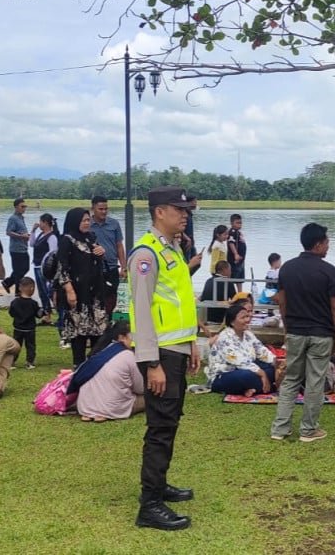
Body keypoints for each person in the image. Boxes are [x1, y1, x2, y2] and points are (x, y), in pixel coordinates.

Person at [128, 186, 200, 531]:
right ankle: (150, 504)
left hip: (176, 349)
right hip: (161, 355)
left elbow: (179, 302)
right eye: (178, 209)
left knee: (170, 421)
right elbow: (141, 312)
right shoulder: (146, 253)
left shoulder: (171, 249)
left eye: (186, 210)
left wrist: (192, 342)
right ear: (159, 212)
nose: (185, 214)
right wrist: (152, 363)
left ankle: (159, 486)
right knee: (160, 427)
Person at [271, 222, 335, 444]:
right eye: (327, 242)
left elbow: (282, 302)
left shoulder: (287, 268)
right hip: (321, 333)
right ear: (319, 243)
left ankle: (280, 428)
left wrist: (287, 327)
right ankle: (308, 429)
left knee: (291, 378)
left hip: (295, 331)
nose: (328, 247)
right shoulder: (328, 271)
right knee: (314, 381)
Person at [58, 207, 111, 364]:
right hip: (78, 292)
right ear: (75, 222)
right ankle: (79, 364)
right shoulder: (67, 240)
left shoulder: (91, 237)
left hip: (95, 292)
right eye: (84, 220)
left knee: (98, 331)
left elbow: (96, 260)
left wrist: (102, 251)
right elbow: (62, 267)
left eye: (89, 220)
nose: (87, 223)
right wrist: (69, 290)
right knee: (79, 332)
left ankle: (94, 364)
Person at [74, 321, 146, 422]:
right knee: (151, 397)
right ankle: (103, 411)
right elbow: (140, 388)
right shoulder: (128, 355)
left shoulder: (99, 352)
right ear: (122, 337)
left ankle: (93, 412)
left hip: (84, 407)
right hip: (112, 408)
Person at [205, 304, 277, 396]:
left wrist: (276, 362)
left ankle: (251, 388)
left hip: (247, 369)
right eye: (243, 318)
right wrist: (262, 374)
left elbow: (261, 350)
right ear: (232, 322)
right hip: (224, 374)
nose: (247, 320)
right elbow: (240, 361)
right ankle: (271, 387)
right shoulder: (225, 337)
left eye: (247, 316)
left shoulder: (248, 334)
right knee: (246, 376)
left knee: (271, 369)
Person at [89, 197, 128, 315]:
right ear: (93, 209)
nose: (104, 212)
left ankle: (110, 320)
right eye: (100, 209)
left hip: (111, 268)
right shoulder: (88, 225)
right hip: (94, 269)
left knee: (112, 298)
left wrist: (123, 266)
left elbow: (119, 245)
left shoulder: (114, 224)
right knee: (95, 298)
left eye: (106, 209)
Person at [31, 213, 60, 320]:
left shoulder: (52, 236)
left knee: (48, 290)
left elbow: (52, 253)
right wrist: (33, 231)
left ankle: (58, 310)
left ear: (45, 223)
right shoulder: (41, 235)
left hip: (45, 268)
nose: (39, 224)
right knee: (42, 291)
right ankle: (47, 314)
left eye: (41, 222)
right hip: (37, 265)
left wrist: (46, 265)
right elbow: (32, 244)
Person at [8, 277, 40, 369]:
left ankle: (12, 362)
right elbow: (38, 314)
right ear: (32, 288)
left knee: (16, 345)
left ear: (19, 288)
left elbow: (11, 313)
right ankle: (29, 362)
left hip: (18, 328)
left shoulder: (14, 302)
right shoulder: (34, 303)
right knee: (30, 346)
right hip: (30, 329)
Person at [2, 198, 31, 294]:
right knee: (18, 270)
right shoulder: (13, 218)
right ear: (16, 207)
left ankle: (8, 282)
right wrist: (21, 236)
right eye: (22, 206)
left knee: (25, 268)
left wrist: (27, 235)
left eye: (25, 206)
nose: (24, 208)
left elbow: (20, 231)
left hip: (23, 247)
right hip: (16, 249)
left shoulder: (21, 218)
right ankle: (18, 291)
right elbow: (8, 232)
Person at [199, 260, 236, 330]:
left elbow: (203, 298)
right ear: (224, 270)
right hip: (220, 319)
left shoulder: (208, 281)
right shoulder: (228, 282)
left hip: (207, 318)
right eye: (230, 270)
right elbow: (236, 300)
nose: (231, 272)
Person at [227, 213, 247, 280]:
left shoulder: (238, 232)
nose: (239, 225)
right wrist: (235, 254)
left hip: (241, 259)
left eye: (240, 223)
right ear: (232, 223)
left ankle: (239, 290)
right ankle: (230, 289)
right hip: (235, 260)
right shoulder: (232, 232)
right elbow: (231, 243)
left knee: (240, 277)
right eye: (237, 223)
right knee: (233, 275)